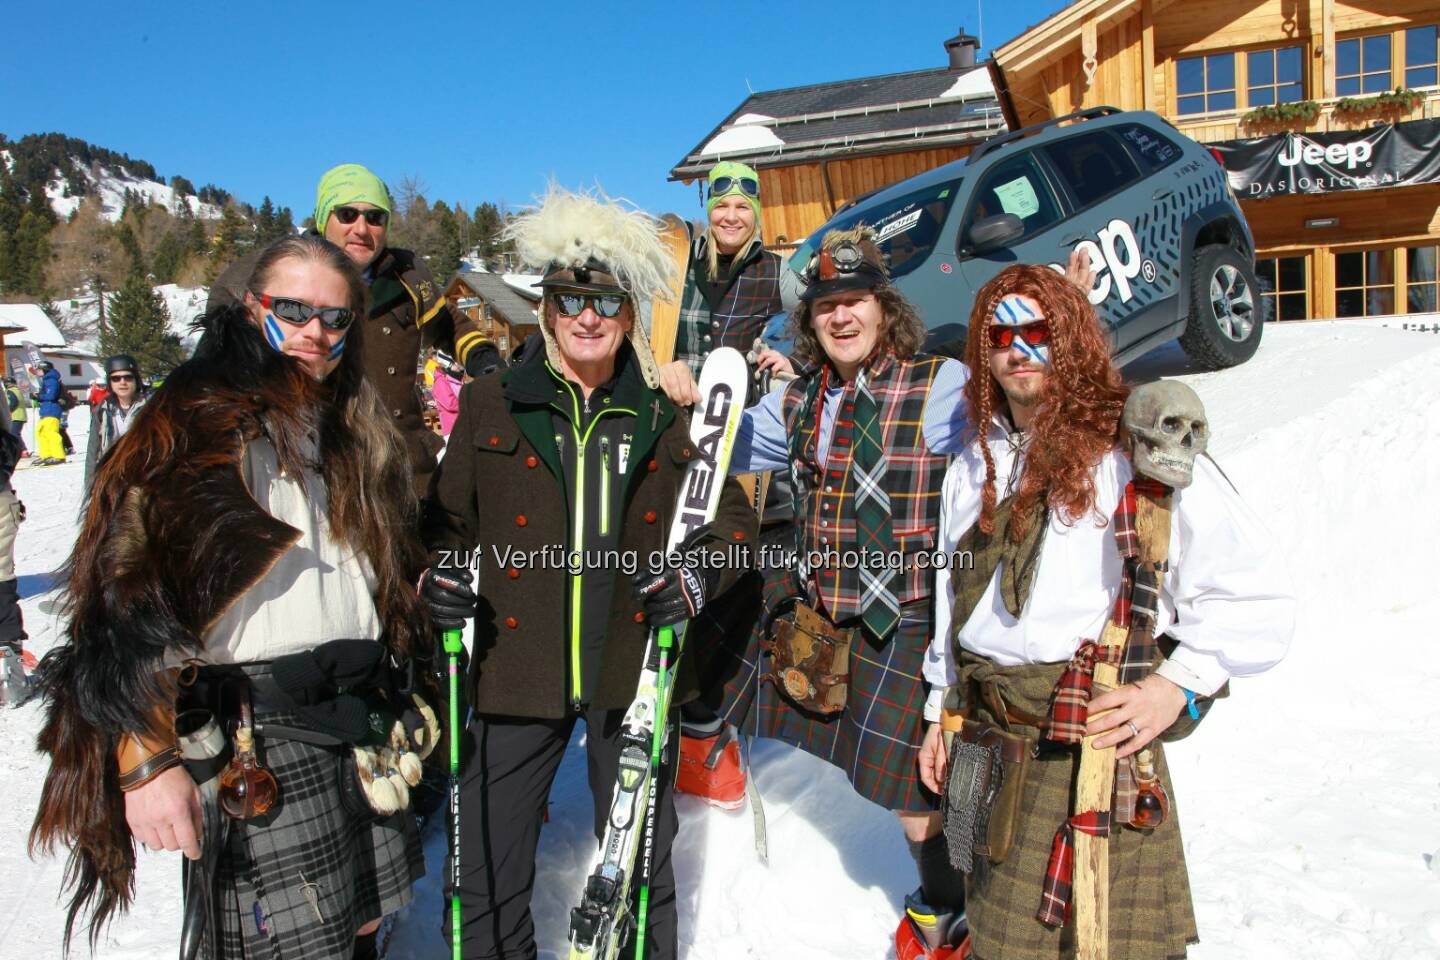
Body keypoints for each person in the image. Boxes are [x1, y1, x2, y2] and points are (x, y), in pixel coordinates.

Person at [31, 234, 432, 960]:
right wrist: (146, 759)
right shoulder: (194, 421)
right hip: (256, 731)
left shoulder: (348, 425)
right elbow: (121, 604)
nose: (317, 330)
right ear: (252, 311)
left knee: (363, 931)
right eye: (294, 309)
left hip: (357, 716)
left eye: (336, 317)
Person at [915, 264, 1294, 960]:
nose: (1018, 348)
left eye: (1040, 331)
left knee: (1106, 945)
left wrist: (1177, 685)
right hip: (982, 738)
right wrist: (941, 710)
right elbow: (951, 599)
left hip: (1086, 745)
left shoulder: (1131, 452)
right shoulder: (974, 460)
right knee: (999, 936)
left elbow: (1257, 594)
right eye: (1001, 335)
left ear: (1072, 339)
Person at [420, 186, 757, 960]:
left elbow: (731, 522)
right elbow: (446, 524)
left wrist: (699, 576)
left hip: (629, 671)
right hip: (515, 669)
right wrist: (438, 577)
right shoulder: (491, 405)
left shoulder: (663, 414)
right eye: (571, 297)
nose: (588, 316)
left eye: (605, 300)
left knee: (641, 868)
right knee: (485, 869)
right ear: (546, 309)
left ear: (630, 315)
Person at [712, 225, 977, 957]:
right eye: (826, 305)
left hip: (913, 616)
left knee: (920, 797)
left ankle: (949, 915)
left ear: (886, 309)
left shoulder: (940, 384)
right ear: (809, 320)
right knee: (720, 624)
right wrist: (694, 394)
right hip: (831, 612)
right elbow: (720, 440)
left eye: (856, 300)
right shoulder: (798, 402)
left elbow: (1015, 428)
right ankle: (706, 760)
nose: (841, 316)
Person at [208, 163, 500, 495]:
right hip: (320, 471)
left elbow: (447, 325)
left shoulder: (408, 277)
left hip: (407, 472)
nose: (361, 228)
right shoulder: (279, 273)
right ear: (322, 218)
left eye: (375, 218)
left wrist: (483, 357)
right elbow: (221, 349)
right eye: (347, 214)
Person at [84, 354, 149, 490]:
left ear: (136, 379)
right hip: (113, 478)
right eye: (116, 378)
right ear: (110, 382)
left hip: (146, 478)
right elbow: (93, 450)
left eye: (128, 377)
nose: (122, 382)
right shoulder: (103, 410)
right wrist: (90, 486)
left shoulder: (152, 406)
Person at [33, 360, 66, 465]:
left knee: (51, 433)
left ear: (45, 369)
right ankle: (46, 455)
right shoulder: (46, 380)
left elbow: (51, 395)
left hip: (52, 410)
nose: (37, 371)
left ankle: (58, 456)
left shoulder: (51, 380)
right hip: (46, 410)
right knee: (40, 432)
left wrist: (38, 396)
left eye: (39, 369)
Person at [428, 351, 463, 437]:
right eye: (456, 362)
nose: (458, 365)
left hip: (462, 425)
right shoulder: (440, 381)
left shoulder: (457, 378)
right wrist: (469, 404)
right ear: (449, 364)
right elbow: (451, 404)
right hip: (453, 428)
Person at [4, 377, 27, 455]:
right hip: (21, 415)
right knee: (15, 433)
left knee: (14, 433)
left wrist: (8, 411)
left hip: (15, 416)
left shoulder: (9, 391)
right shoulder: (17, 391)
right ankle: (20, 450)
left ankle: (23, 450)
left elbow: (13, 402)